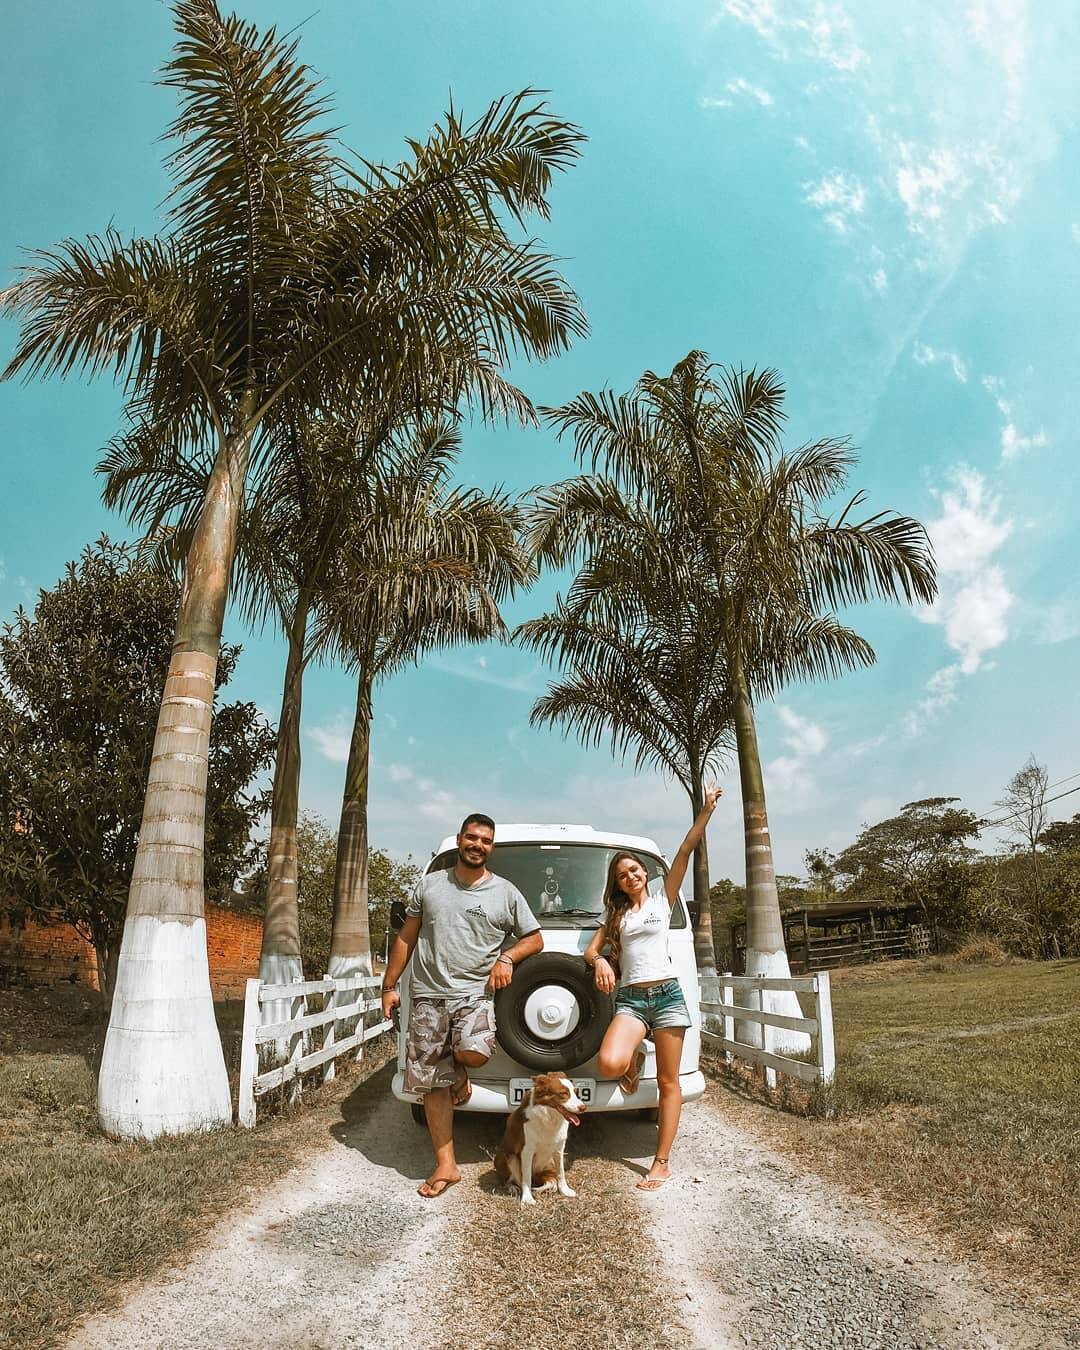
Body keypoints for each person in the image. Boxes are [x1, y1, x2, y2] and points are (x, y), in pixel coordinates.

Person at [381, 812, 543, 1198]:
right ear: (459, 839)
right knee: (431, 1084)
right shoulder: (429, 886)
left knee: (474, 1052)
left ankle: (458, 1069)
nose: (478, 846)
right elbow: (406, 937)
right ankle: (446, 1165)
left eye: (485, 841)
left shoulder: (505, 892)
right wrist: (389, 985)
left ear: (492, 847)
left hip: (474, 996)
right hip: (428, 996)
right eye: (472, 838)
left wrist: (507, 958)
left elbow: (534, 938)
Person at [583, 785, 723, 1190]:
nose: (631, 876)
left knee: (669, 1083)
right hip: (631, 1000)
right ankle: (632, 1061)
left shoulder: (664, 900)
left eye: (635, 870)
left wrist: (706, 812)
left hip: (666, 997)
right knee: (610, 1063)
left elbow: (684, 851)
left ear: (646, 872)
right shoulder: (615, 915)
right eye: (623, 874)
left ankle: (661, 1161)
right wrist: (602, 963)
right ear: (619, 883)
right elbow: (591, 951)